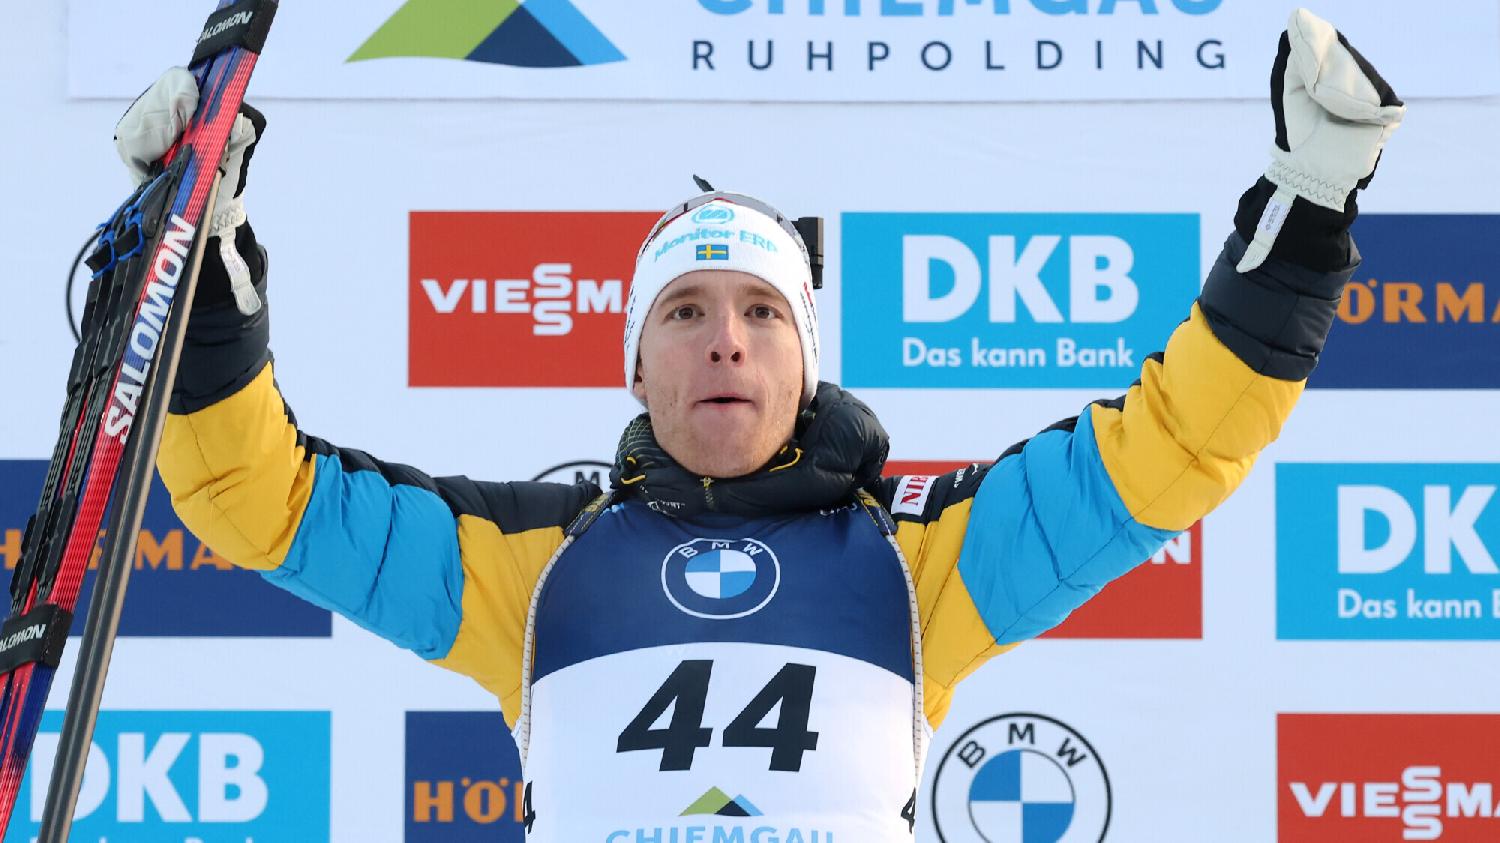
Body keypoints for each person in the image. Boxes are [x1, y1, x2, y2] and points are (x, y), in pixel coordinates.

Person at [119, 9, 1402, 841]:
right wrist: (205, 268)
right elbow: (262, 500)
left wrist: (1307, 204)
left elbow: (1169, 450)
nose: (724, 340)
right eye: (684, 312)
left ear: (804, 360)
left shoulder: (919, 562)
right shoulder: (528, 567)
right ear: (636, 368)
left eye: (760, 313)